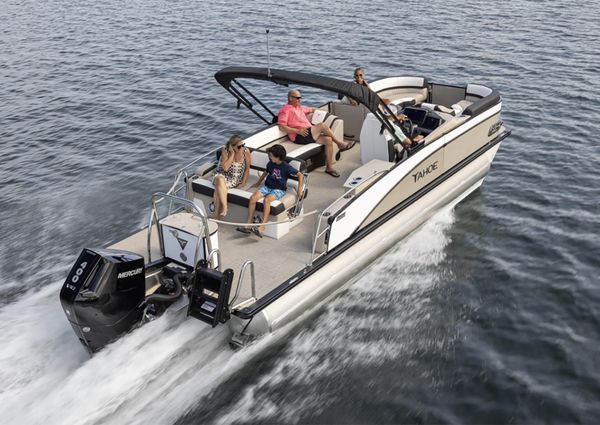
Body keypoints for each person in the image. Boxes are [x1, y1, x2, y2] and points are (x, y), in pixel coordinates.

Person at [278, 89, 355, 178]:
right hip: (299, 136)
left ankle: (329, 167)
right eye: (298, 98)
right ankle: (340, 144)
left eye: (300, 98)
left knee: (328, 140)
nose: (300, 100)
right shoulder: (285, 110)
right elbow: (282, 127)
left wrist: (325, 113)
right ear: (290, 98)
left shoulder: (299, 107)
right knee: (322, 126)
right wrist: (297, 131)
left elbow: (312, 109)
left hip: (309, 132)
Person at [237, 144, 303, 238]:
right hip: (267, 186)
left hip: (279, 189)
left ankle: (262, 227)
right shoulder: (270, 163)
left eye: (271, 155)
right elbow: (265, 172)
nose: (269, 157)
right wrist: (258, 182)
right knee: (253, 198)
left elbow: (300, 175)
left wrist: (299, 190)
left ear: (278, 157)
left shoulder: (286, 167)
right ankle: (248, 224)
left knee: (267, 200)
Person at [212, 134, 251, 218]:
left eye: (243, 145)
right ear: (232, 147)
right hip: (222, 174)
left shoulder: (246, 151)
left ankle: (216, 215)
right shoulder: (225, 151)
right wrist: (232, 154)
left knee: (218, 188)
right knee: (219, 179)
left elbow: (247, 168)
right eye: (239, 146)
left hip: (234, 179)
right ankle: (225, 208)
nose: (242, 147)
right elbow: (225, 168)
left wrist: (244, 182)